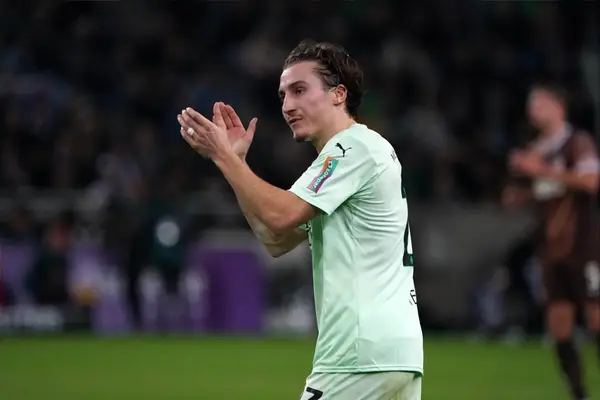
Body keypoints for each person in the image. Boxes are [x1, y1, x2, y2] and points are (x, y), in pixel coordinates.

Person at [178, 40, 423, 399]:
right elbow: (275, 239)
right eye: (282, 96)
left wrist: (224, 157)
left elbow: (280, 216)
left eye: (299, 90)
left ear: (339, 94)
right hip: (394, 353)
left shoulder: (351, 149)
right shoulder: (351, 157)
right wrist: (234, 163)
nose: (288, 106)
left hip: (357, 353)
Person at [503, 83, 600, 400]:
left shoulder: (576, 142)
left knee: (596, 318)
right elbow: (545, 193)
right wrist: (520, 195)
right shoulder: (536, 148)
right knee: (560, 326)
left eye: (540, 103)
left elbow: (590, 181)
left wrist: (541, 170)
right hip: (551, 248)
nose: (533, 110)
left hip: (584, 245)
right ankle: (579, 394)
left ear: (559, 106)